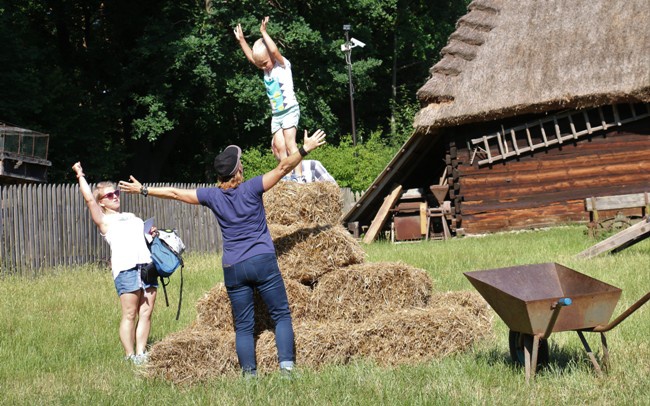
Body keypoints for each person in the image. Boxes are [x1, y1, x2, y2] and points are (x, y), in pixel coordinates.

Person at [119, 129, 327, 377]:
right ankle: (287, 370)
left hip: (233, 268)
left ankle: (249, 376)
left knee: (243, 326)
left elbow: (175, 193)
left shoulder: (212, 195)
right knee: (281, 315)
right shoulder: (252, 188)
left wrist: (143, 190)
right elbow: (283, 169)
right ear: (238, 170)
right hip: (262, 261)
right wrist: (305, 148)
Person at [72, 162, 158, 365]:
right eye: (109, 195)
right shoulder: (104, 221)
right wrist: (80, 175)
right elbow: (88, 199)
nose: (115, 196)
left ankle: (141, 353)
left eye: (117, 193)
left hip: (146, 266)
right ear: (101, 202)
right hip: (126, 269)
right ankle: (129, 356)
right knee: (129, 313)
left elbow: (142, 237)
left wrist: (150, 233)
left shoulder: (131, 216)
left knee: (146, 312)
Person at [234, 16, 304, 182]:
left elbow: (273, 51)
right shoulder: (266, 69)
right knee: (278, 146)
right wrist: (242, 41)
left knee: (289, 143)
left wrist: (263, 32)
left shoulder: (282, 65)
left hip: (290, 110)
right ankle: (287, 178)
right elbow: (253, 58)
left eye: (265, 63)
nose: (263, 67)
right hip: (277, 115)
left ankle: (300, 179)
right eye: (261, 65)